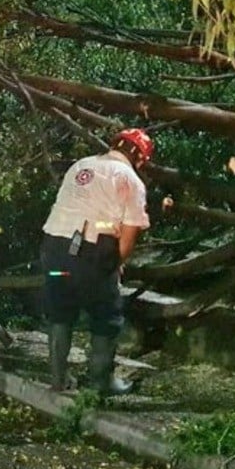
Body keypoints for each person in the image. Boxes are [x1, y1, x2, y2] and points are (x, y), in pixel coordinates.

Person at [41, 128, 154, 396]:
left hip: (53, 247)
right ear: (138, 156)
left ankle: (58, 380)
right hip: (91, 254)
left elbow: (80, 210)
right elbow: (128, 235)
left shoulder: (80, 166)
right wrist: (116, 265)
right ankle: (102, 383)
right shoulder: (130, 180)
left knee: (60, 312)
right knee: (106, 315)